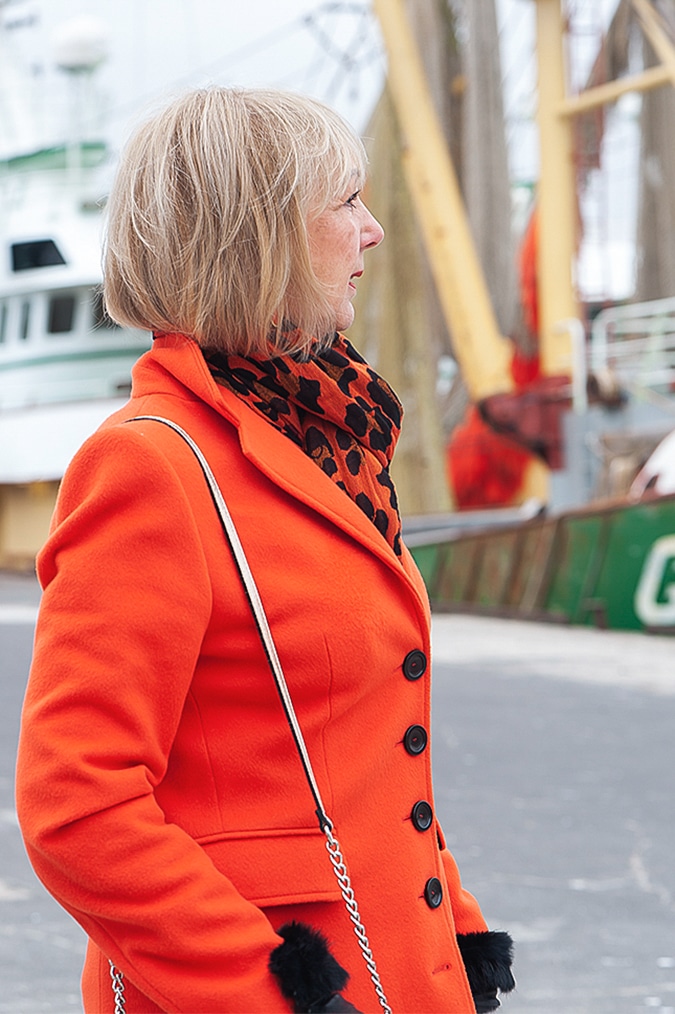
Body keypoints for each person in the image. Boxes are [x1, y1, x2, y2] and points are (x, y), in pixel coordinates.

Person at [16, 87, 515, 1014]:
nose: (371, 232)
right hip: (275, 984)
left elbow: (366, 757)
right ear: (261, 233)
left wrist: (458, 930)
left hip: (398, 965)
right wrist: (267, 992)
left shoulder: (331, 443)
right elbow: (76, 805)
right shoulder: (151, 466)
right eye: (344, 201)